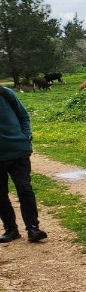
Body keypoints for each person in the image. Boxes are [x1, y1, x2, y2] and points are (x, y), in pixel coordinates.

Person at [0, 86, 47, 244]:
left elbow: (24, 117)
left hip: (18, 151)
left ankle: (33, 228)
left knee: (24, 188)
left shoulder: (6, 94)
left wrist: (27, 135)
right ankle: (11, 229)